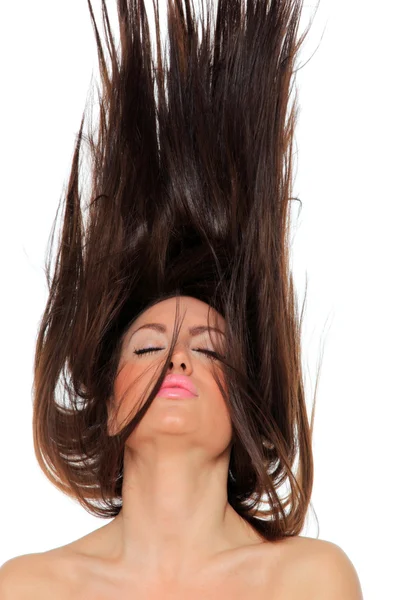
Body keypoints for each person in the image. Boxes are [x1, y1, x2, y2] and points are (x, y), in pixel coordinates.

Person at [0, 0, 363, 597]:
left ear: (245, 410)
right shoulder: (33, 587)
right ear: (109, 406)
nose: (179, 360)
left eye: (212, 351)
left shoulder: (310, 579)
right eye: (146, 349)